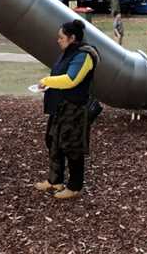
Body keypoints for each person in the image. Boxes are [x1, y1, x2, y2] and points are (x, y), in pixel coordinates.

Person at [35, 19, 99, 199]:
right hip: (60, 106)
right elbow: (60, 76)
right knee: (53, 141)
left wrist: (46, 81)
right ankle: (55, 180)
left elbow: (72, 80)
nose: (58, 40)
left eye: (61, 37)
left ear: (72, 38)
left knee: (72, 147)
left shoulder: (84, 55)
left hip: (75, 108)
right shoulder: (68, 52)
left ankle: (75, 187)